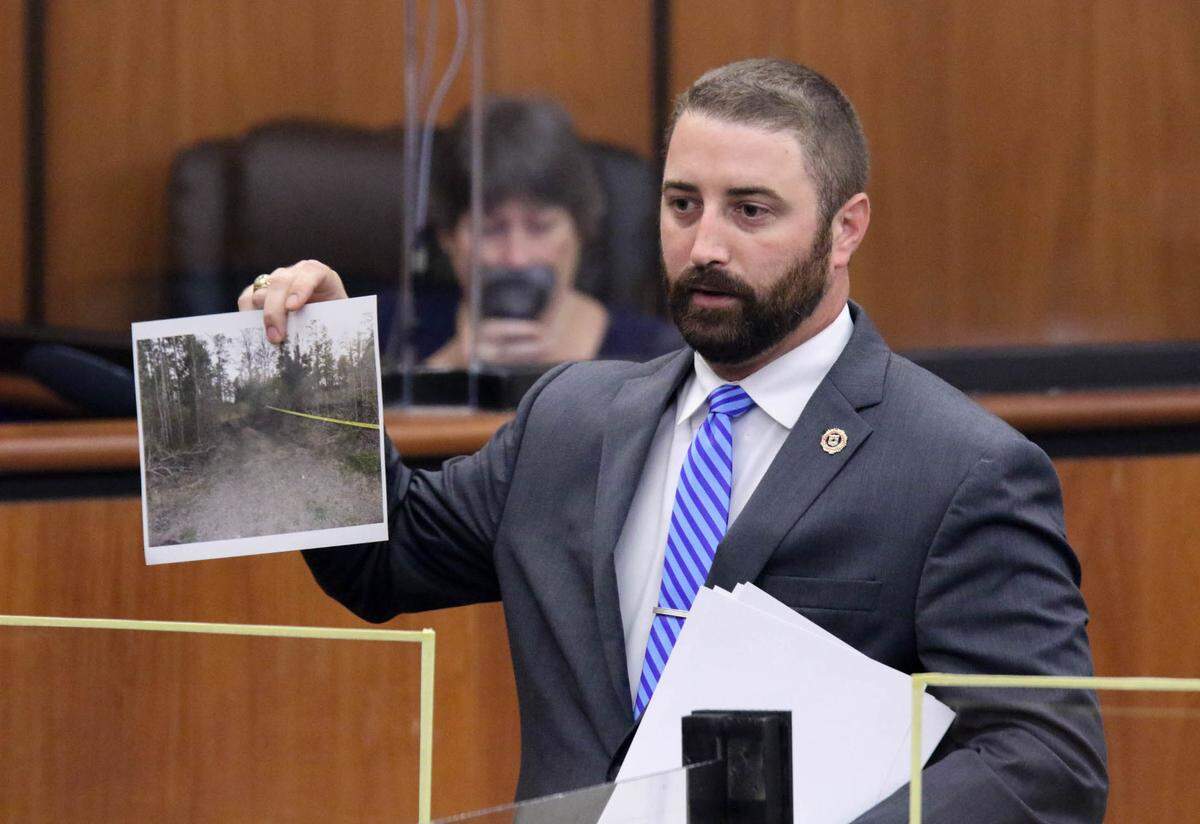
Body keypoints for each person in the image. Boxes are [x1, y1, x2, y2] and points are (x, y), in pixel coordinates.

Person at [239, 59, 1107, 822]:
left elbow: (1044, 763)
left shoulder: (961, 467)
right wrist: (305, 372)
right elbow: (378, 564)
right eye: (682, 204)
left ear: (847, 228)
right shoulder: (570, 420)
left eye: (752, 211)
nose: (705, 246)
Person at [391, 96, 680, 366]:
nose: (517, 258)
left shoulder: (659, 355)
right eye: (491, 230)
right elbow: (355, 421)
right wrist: (447, 370)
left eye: (540, 227)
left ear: (580, 229)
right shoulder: (391, 334)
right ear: (447, 238)